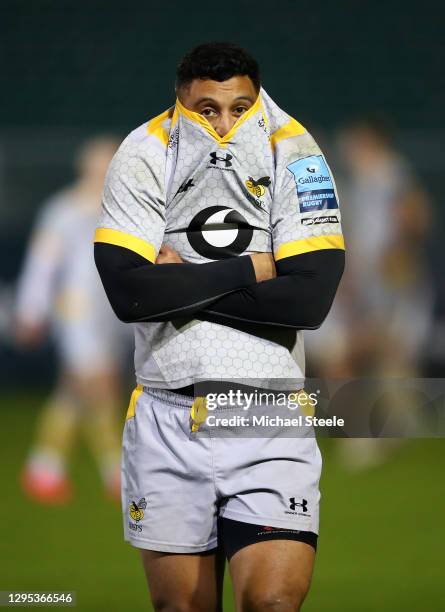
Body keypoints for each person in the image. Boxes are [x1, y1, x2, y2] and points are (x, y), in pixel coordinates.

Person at [95, 43, 345, 611]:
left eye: (239, 107)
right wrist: (250, 269)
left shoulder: (297, 152)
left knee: (273, 603)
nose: (225, 123)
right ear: (182, 101)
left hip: (267, 414)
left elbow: (309, 299)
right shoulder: (142, 152)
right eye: (208, 109)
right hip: (166, 414)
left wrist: (181, 287)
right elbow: (129, 292)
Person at [16, 136, 130, 504]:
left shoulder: (119, 208)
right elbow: (42, 264)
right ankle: (115, 471)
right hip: (77, 311)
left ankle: (44, 468)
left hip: (107, 311)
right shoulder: (63, 210)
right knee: (97, 385)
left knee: (75, 391)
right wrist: (31, 310)